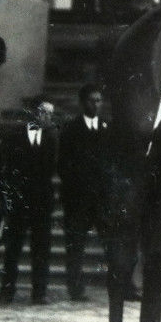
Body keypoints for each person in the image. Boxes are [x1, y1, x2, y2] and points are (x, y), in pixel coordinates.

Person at [0, 96, 58, 305]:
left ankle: (39, 292)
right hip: (21, 197)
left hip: (42, 200)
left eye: (50, 113)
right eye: (43, 112)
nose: (47, 117)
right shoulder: (15, 136)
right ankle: (6, 291)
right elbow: (8, 167)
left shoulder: (52, 137)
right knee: (13, 247)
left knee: (41, 247)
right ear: (32, 113)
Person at [59, 84, 109, 301]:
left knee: (111, 242)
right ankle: (75, 288)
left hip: (101, 199)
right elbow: (63, 164)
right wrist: (76, 187)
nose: (96, 105)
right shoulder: (70, 130)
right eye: (91, 101)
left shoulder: (107, 129)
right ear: (82, 103)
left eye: (99, 101)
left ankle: (117, 286)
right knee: (76, 245)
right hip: (78, 199)